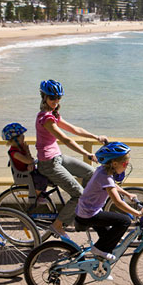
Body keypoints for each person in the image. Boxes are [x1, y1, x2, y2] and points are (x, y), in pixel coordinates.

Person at [35, 79, 107, 239]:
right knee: (79, 195)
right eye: (52, 98)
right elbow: (67, 140)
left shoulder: (53, 115)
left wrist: (96, 137)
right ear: (44, 97)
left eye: (58, 98)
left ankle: (82, 213)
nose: (55, 101)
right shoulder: (45, 118)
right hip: (48, 164)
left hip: (58, 158)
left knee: (92, 174)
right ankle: (58, 225)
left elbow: (75, 129)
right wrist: (87, 154)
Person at [74, 142, 143, 260]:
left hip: (85, 211)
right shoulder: (105, 176)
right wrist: (138, 213)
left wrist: (127, 194)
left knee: (108, 237)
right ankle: (97, 250)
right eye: (125, 163)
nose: (126, 166)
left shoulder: (102, 171)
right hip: (89, 214)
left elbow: (112, 185)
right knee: (124, 221)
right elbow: (118, 202)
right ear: (114, 163)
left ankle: (101, 266)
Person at [2, 122, 47, 201]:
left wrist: (31, 162)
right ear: (15, 139)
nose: (24, 137)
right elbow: (29, 160)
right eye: (21, 136)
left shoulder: (19, 149)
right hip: (24, 174)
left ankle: (40, 192)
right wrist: (27, 150)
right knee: (41, 179)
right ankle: (37, 196)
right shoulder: (15, 153)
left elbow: (30, 161)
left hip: (28, 170)